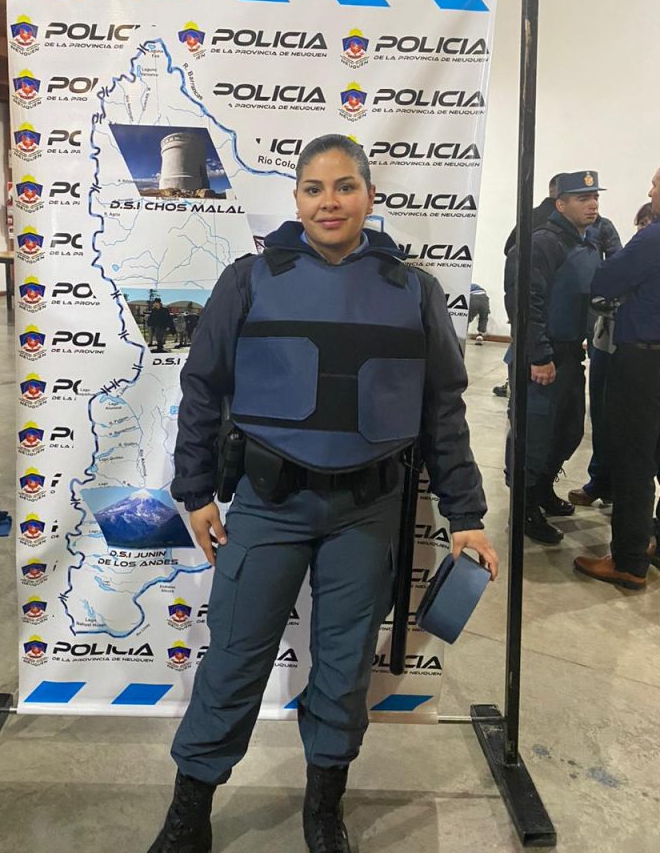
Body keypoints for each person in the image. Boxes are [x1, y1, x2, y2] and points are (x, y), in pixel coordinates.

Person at [149, 134, 499, 853]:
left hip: (368, 513)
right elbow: (203, 388)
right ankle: (189, 815)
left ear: (369, 195)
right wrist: (196, 490)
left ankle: (323, 808)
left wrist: (466, 514)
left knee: (343, 671)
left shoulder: (415, 290)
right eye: (314, 188)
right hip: (269, 505)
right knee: (234, 661)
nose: (329, 202)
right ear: (297, 198)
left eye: (344, 187)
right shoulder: (248, 279)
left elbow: (443, 410)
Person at [504, 171, 603, 544]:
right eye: (582, 198)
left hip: (570, 355)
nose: (592, 204)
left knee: (568, 431)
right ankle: (524, 505)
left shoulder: (587, 242)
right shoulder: (542, 242)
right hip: (541, 357)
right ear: (560, 204)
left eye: (594, 197)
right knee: (533, 436)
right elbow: (524, 301)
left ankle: (542, 487)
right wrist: (539, 355)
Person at [574, 169, 660, 589]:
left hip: (643, 359)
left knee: (633, 459)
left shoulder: (653, 238)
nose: (650, 190)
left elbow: (605, 280)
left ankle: (628, 561)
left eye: (657, 184)